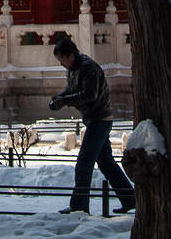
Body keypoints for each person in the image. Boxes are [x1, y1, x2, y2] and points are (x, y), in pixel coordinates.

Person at [49, 36, 135, 215]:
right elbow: (71, 89)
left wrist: (65, 101)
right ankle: (130, 198)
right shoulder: (74, 69)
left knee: (84, 162)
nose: (61, 64)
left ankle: (79, 205)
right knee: (106, 163)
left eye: (61, 60)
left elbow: (90, 94)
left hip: (100, 119)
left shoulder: (89, 68)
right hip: (94, 119)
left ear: (70, 55)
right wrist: (60, 98)